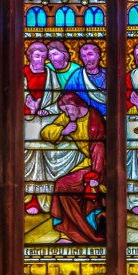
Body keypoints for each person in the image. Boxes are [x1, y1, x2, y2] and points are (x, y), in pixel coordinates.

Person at [41, 92, 106, 244]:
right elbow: (45, 132)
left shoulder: (93, 119)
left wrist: (95, 175)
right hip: (90, 162)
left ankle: (78, 231)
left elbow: (99, 148)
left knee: (64, 186)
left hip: (102, 164)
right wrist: (63, 131)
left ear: (76, 105)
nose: (66, 113)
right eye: (64, 111)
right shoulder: (71, 116)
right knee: (64, 186)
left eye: (68, 109)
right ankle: (69, 232)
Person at [38, 40, 80, 115]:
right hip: (50, 106)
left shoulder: (76, 70)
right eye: (49, 56)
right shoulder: (47, 68)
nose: (52, 58)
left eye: (55, 54)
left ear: (64, 54)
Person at [71, 41, 107, 115]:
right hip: (84, 117)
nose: (87, 59)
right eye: (83, 56)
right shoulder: (77, 75)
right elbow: (67, 98)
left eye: (90, 54)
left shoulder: (108, 75)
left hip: (109, 116)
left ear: (98, 56)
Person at [24, 41, 48, 115]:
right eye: (37, 56)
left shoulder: (49, 73)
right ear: (30, 56)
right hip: (23, 112)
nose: (40, 60)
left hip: (44, 111)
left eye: (43, 57)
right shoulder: (23, 71)